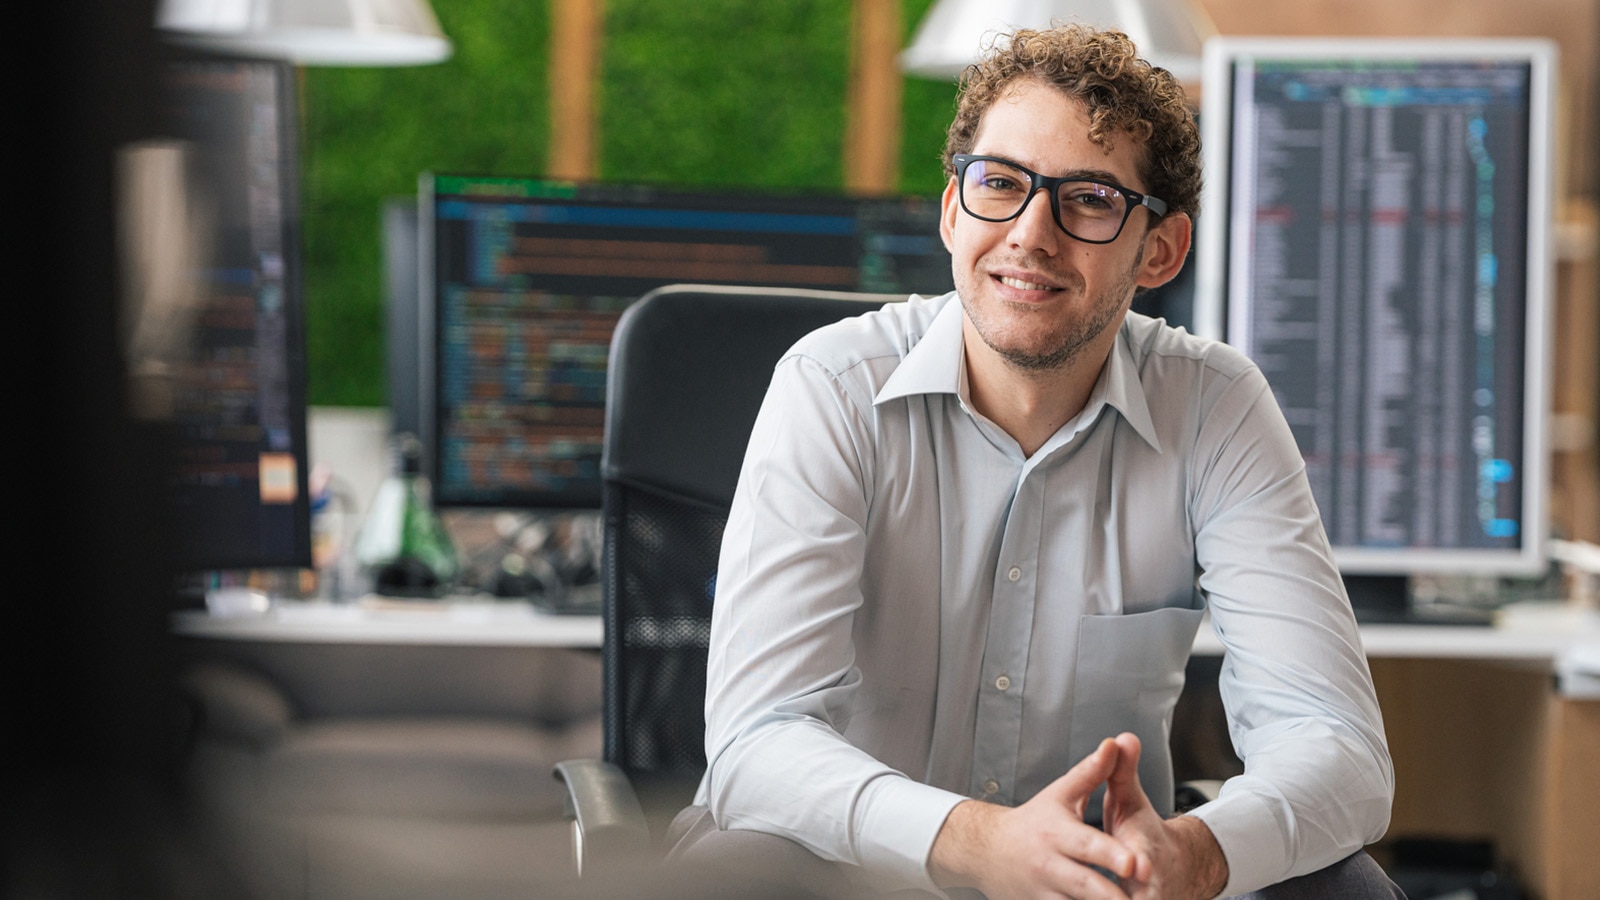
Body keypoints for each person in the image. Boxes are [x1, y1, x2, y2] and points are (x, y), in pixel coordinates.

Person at [669, 24, 1399, 900]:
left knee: (1344, 887)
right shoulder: (831, 386)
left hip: (1100, 885)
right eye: (1001, 185)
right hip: (846, 876)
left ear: (1159, 250)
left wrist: (1194, 852)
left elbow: (1338, 746)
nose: (1031, 233)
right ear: (951, 211)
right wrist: (978, 843)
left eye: (1089, 198)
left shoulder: (1215, 407)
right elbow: (758, 743)